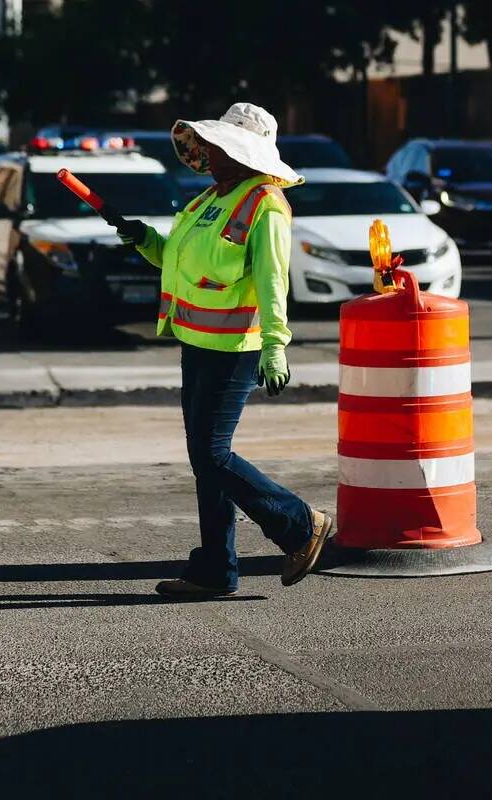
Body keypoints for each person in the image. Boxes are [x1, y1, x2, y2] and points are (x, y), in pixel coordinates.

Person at [117, 103, 334, 598]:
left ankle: (300, 525)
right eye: (210, 144)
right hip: (197, 341)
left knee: (212, 455)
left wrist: (276, 345)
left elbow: (273, 281)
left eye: (218, 146)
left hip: (235, 347)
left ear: (244, 154)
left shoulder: (265, 204)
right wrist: (146, 241)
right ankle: (215, 567)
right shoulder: (206, 201)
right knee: (204, 457)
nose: (207, 153)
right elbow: (180, 260)